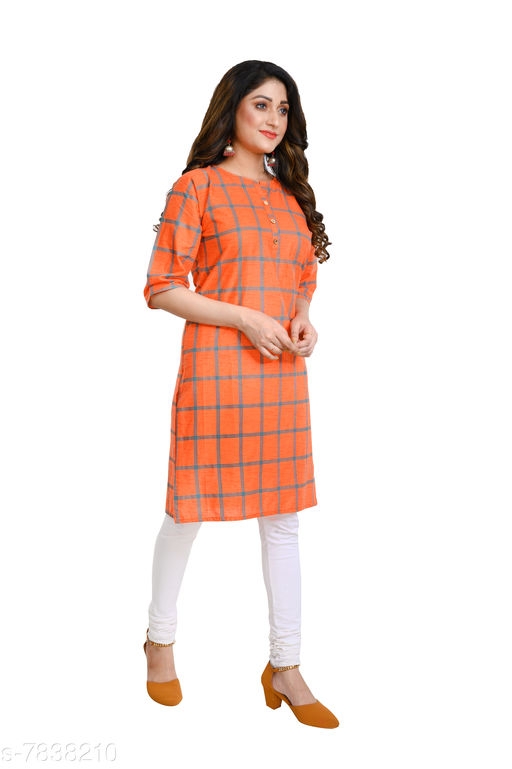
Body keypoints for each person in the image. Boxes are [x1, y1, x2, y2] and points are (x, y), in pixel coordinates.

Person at [142, 60, 338, 729]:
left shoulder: (290, 195)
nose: (274, 118)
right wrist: (246, 318)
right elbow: (162, 287)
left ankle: (286, 663)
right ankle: (160, 640)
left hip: (281, 378)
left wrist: (303, 317)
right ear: (231, 108)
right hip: (217, 372)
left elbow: (301, 276)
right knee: (188, 510)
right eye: (261, 104)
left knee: (283, 520)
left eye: (283, 108)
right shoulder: (196, 187)